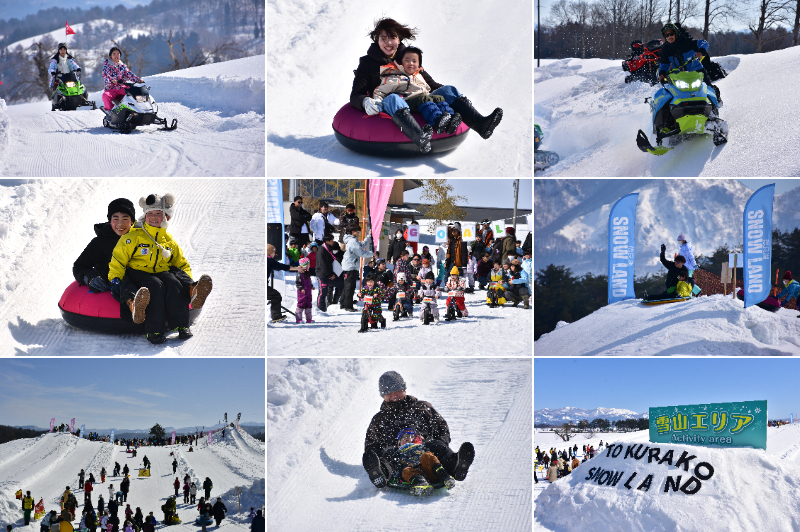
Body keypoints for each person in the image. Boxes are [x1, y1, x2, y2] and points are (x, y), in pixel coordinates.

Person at [352, 18, 503, 153]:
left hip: (418, 99)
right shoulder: (367, 63)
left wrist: (455, 97)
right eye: (383, 38)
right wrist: (364, 101)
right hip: (391, 102)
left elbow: (430, 84)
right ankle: (420, 138)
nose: (388, 43)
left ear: (399, 39)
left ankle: (482, 125)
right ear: (377, 40)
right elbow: (356, 94)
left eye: (392, 37)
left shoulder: (408, 58)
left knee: (448, 89)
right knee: (393, 98)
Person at [108, 193, 213, 344]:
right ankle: (154, 331)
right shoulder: (134, 236)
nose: (154, 217)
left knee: (173, 284)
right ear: (145, 215)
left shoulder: (168, 240)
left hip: (161, 271)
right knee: (155, 287)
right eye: (150, 213)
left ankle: (182, 324)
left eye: (158, 213)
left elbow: (180, 263)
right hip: (139, 271)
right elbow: (118, 259)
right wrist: (115, 279)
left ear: (166, 217)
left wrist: (187, 281)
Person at [362, 371, 474, 489]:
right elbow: (371, 444)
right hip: (398, 454)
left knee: (438, 446)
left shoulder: (422, 407)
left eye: (397, 391)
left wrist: (440, 444)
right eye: (389, 393)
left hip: (425, 448)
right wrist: (379, 456)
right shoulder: (380, 419)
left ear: (404, 390)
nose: (394, 395)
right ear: (383, 396)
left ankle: (455, 465)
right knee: (388, 455)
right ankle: (381, 473)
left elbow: (441, 428)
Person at [370, 46, 462, 138]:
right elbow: (380, 91)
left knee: (438, 98)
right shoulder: (393, 77)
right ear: (401, 62)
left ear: (419, 65)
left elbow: (427, 88)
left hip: (423, 98)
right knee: (423, 99)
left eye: (414, 61)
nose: (411, 63)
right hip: (408, 101)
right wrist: (377, 102)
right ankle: (437, 120)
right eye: (407, 60)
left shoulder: (419, 76)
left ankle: (450, 118)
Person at [657, 23, 722, 106]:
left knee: (707, 89)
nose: (669, 37)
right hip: (678, 76)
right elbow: (664, 64)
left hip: (697, 72)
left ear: (676, 33)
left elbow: (704, 43)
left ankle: (713, 110)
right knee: (673, 94)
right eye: (666, 35)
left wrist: (701, 51)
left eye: (671, 34)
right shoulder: (665, 49)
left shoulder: (687, 42)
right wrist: (662, 73)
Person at [388, 427, 456, 496]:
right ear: (398, 444)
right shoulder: (397, 454)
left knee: (427, 455)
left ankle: (444, 476)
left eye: (409, 436)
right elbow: (395, 469)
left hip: (430, 471)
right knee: (406, 470)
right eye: (402, 438)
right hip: (414, 474)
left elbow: (434, 457)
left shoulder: (422, 446)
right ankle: (420, 483)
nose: (406, 439)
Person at [341, 223, 374, 312]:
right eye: (357, 231)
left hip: (350, 266)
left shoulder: (353, 240)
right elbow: (361, 253)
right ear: (353, 232)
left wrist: (368, 237)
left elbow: (361, 245)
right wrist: (372, 254)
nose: (359, 232)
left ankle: (344, 303)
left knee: (348, 286)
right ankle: (348, 305)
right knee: (350, 287)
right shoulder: (352, 241)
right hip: (350, 267)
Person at [102, 47, 143, 112]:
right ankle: (109, 112)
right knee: (106, 96)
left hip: (122, 87)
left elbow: (129, 74)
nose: (116, 55)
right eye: (114, 54)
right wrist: (112, 80)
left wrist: (138, 80)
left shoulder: (122, 66)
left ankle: (140, 109)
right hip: (111, 89)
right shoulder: (107, 66)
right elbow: (106, 76)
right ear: (110, 55)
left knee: (134, 91)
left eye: (118, 54)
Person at [268, 243, 299, 323]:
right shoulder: (270, 261)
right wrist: (297, 268)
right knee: (276, 296)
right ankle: (276, 316)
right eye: (274, 252)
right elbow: (284, 267)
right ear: (270, 252)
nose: (275, 254)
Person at [316, 233, 343, 313]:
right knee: (323, 292)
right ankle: (321, 309)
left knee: (342, 284)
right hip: (322, 275)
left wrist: (332, 274)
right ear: (327, 241)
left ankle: (343, 303)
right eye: (332, 240)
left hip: (330, 274)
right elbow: (322, 264)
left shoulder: (329, 249)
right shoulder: (321, 250)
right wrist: (329, 274)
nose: (333, 242)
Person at [294, 257, 314, 323]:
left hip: (308, 292)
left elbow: (308, 281)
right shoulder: (300, 273)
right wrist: (301, 288)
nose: (309, 265)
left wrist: (311, 286)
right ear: (304, 265)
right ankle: (298, 319)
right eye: (308, 264)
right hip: (302, 293)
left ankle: (309, 319)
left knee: (308, 304)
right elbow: (297, 282)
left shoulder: (307, 273)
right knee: (301, 304)